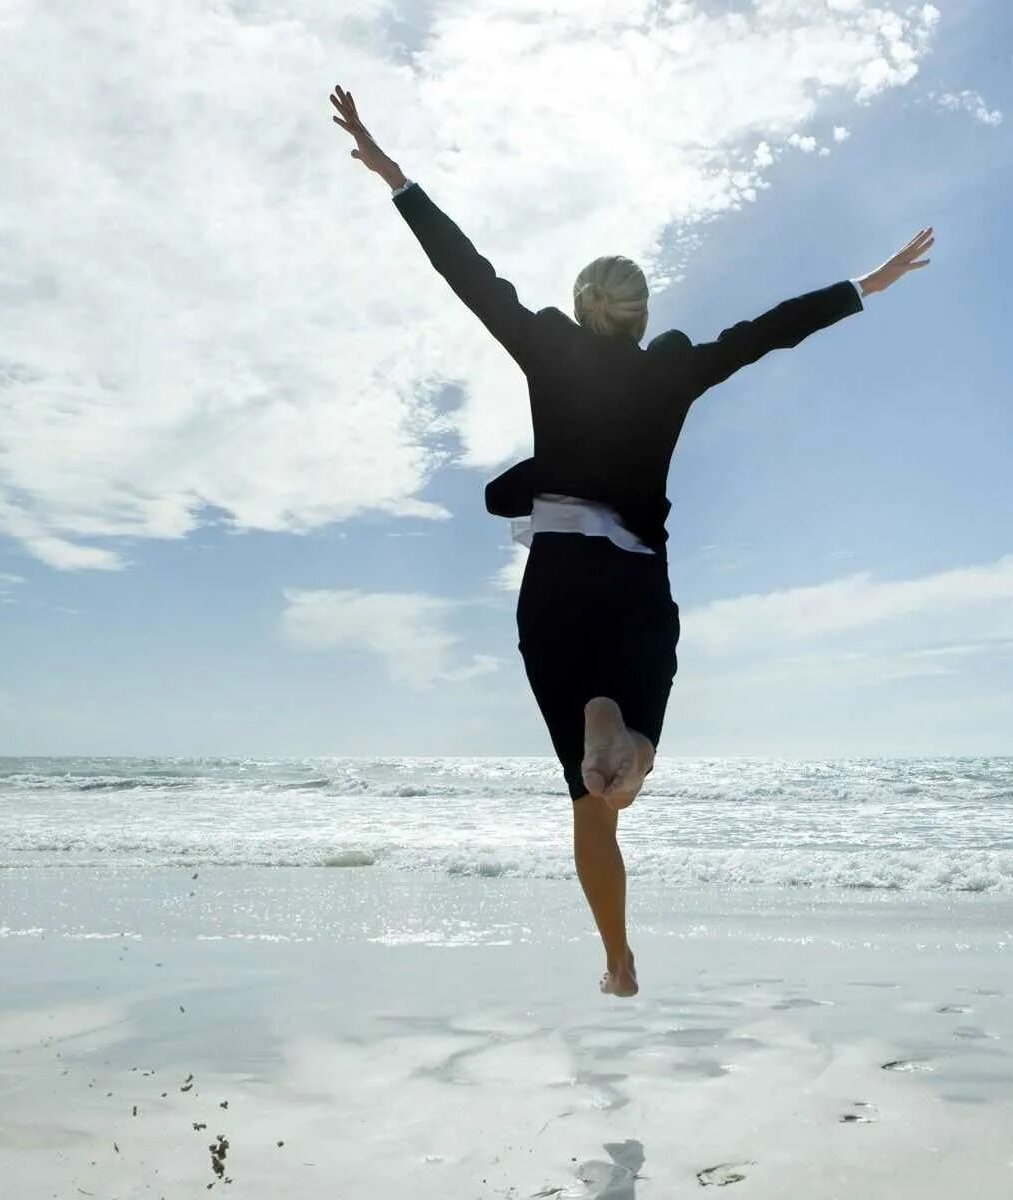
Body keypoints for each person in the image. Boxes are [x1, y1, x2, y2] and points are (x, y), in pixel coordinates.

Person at [331, 85, 933, 996]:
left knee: (588, 806)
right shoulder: (675, 371)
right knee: (631, 740)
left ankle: (617, 953)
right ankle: (629, 738)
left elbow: (471, 275)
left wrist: (396, 178)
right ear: (643, 316)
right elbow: (766, 333)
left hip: (557, 578)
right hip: (634, 583)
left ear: (580, 311)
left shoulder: (545, 348)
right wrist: (865, 286)